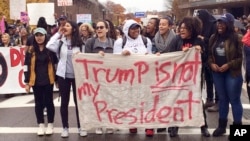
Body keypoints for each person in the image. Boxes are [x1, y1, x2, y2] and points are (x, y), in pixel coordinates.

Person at [167, 16, 210, 138]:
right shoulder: (176, 40)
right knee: (177, 99)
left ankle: (203, 126)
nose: (182, 30)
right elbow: (169, 55)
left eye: (185, 28)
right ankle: (174, 126)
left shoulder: (199, 41)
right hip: (179, 77)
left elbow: (206, 59)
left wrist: (200, 51)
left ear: (193, 29)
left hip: (194, 78)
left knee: (196, 100)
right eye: (180, 28)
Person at [46, 20, 87, 138]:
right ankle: (65, 127)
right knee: (64, 102)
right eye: (64, 26)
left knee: (79, 103)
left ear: (73, 29)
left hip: (77, 76)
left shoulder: (81, 44)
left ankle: (81, 127)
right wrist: (58, 33)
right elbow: (49, 45)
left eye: (67, 26)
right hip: (63, 76)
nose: (65, 27)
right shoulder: (60, 42)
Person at [113, 19, 153, 137]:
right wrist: (122, 55)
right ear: (127, 30)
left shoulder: (146, 41)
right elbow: (113, 60)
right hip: (128, 78)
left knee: (147, 101)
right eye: (133, 28)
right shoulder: (120, 42)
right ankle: (133, 123)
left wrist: (148, 57)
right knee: (131, 101)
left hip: (144, 77)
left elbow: (151, 57)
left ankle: (149, 126)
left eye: (137, 28)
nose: (136, 30)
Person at [208, 13, 243, 139]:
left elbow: (240, 59)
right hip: (218, 73)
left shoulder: (237, 38)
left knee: (234, 100)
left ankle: (238, 132)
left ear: (229, 24)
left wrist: (228, 65)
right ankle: (221, 127)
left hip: (232, 73)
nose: (219, 25)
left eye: (222, 22)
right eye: (218, 22)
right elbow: (209, 55)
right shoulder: (213, 38)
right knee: (222, 99)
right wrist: (212, 64)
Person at [23, 27, 58, 136]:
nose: (39, 38)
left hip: (48, 79)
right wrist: (27, 82)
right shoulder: (30, 50)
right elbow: (26, 66)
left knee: (49, 102)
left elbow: (55, 64)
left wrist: (57, 79)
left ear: (45, 36)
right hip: (35, 80)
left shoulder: (50, 50)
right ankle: (41, 125)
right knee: (38, 103)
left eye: (41, 35)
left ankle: (51, 124)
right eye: (37, 35)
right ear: (34, 37)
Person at [85, 20, 115, 134]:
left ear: (107, 29)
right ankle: (98, 123)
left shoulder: (114, 43)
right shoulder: (90, 42)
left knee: (109, 100)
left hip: (111, 77)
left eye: (102, 27)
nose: (99, 29)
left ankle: (109, 123)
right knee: (97, 101)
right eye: (97, 27)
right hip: (95, 77)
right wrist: (96, 57)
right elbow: (86, 58)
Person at [195, 9, 219, 112]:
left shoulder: (213, 25)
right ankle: (209, 99)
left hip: (214, 56)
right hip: (205, 56)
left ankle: (218, 101)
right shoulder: (202, 25)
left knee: (216, 80)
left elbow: (215, 40)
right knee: (208, 79)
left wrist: (203, 38)